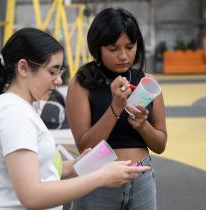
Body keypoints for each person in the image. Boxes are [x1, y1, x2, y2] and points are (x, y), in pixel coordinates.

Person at [0, 27, 150, 210]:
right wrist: (102, 177)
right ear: (23, 68)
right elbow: (32, 196)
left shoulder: (16, 108)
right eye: (52, 71)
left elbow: (39, 171)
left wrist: (74, 166)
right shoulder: (13, 115)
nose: (59, 80)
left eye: (60, 72)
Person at [66, 8, 167, 210]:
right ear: (98, 47)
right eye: (113, 49)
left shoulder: (147, 83)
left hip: (142, 178)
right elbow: (84, 147)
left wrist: (143, 126)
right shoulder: (83, 82)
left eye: (130, 47)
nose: (123, 56)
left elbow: (160, 145)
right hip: (98, 180)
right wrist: (115, 108)